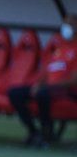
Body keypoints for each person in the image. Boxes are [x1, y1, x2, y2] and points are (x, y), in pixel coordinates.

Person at [8, 13, 77, 148]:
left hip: (67, 91)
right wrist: (37, 84)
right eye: (65, 23)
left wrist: (50, 86)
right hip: (49, 88)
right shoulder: (59, 48)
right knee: (15, 93)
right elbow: (47, 72)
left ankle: (47, 133)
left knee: (43, 94)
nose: (66, 27)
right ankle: (33, 132)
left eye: (70, 24)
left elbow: (74, 80)